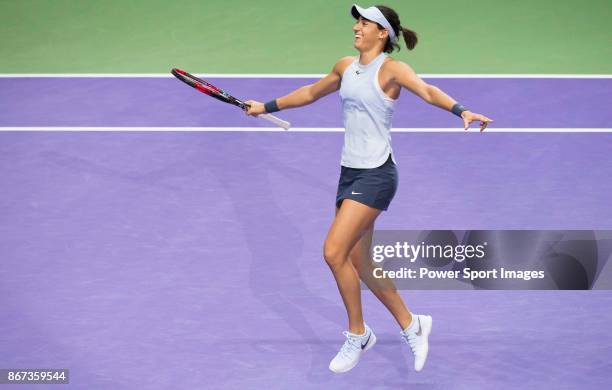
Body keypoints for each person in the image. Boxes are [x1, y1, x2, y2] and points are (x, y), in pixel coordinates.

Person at [245, 4, 493, 374]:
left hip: (377, 175)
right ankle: (412, 324)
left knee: (333, 252)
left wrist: (462, 111)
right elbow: (313, 91)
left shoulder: (392, 70)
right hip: (350, 173)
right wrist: (265, 106)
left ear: (383, 34)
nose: (357, 28)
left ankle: (357, 333)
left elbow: (426, 91)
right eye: (357, 22)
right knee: (360, 261)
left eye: (365, 23)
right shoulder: (346, 66)